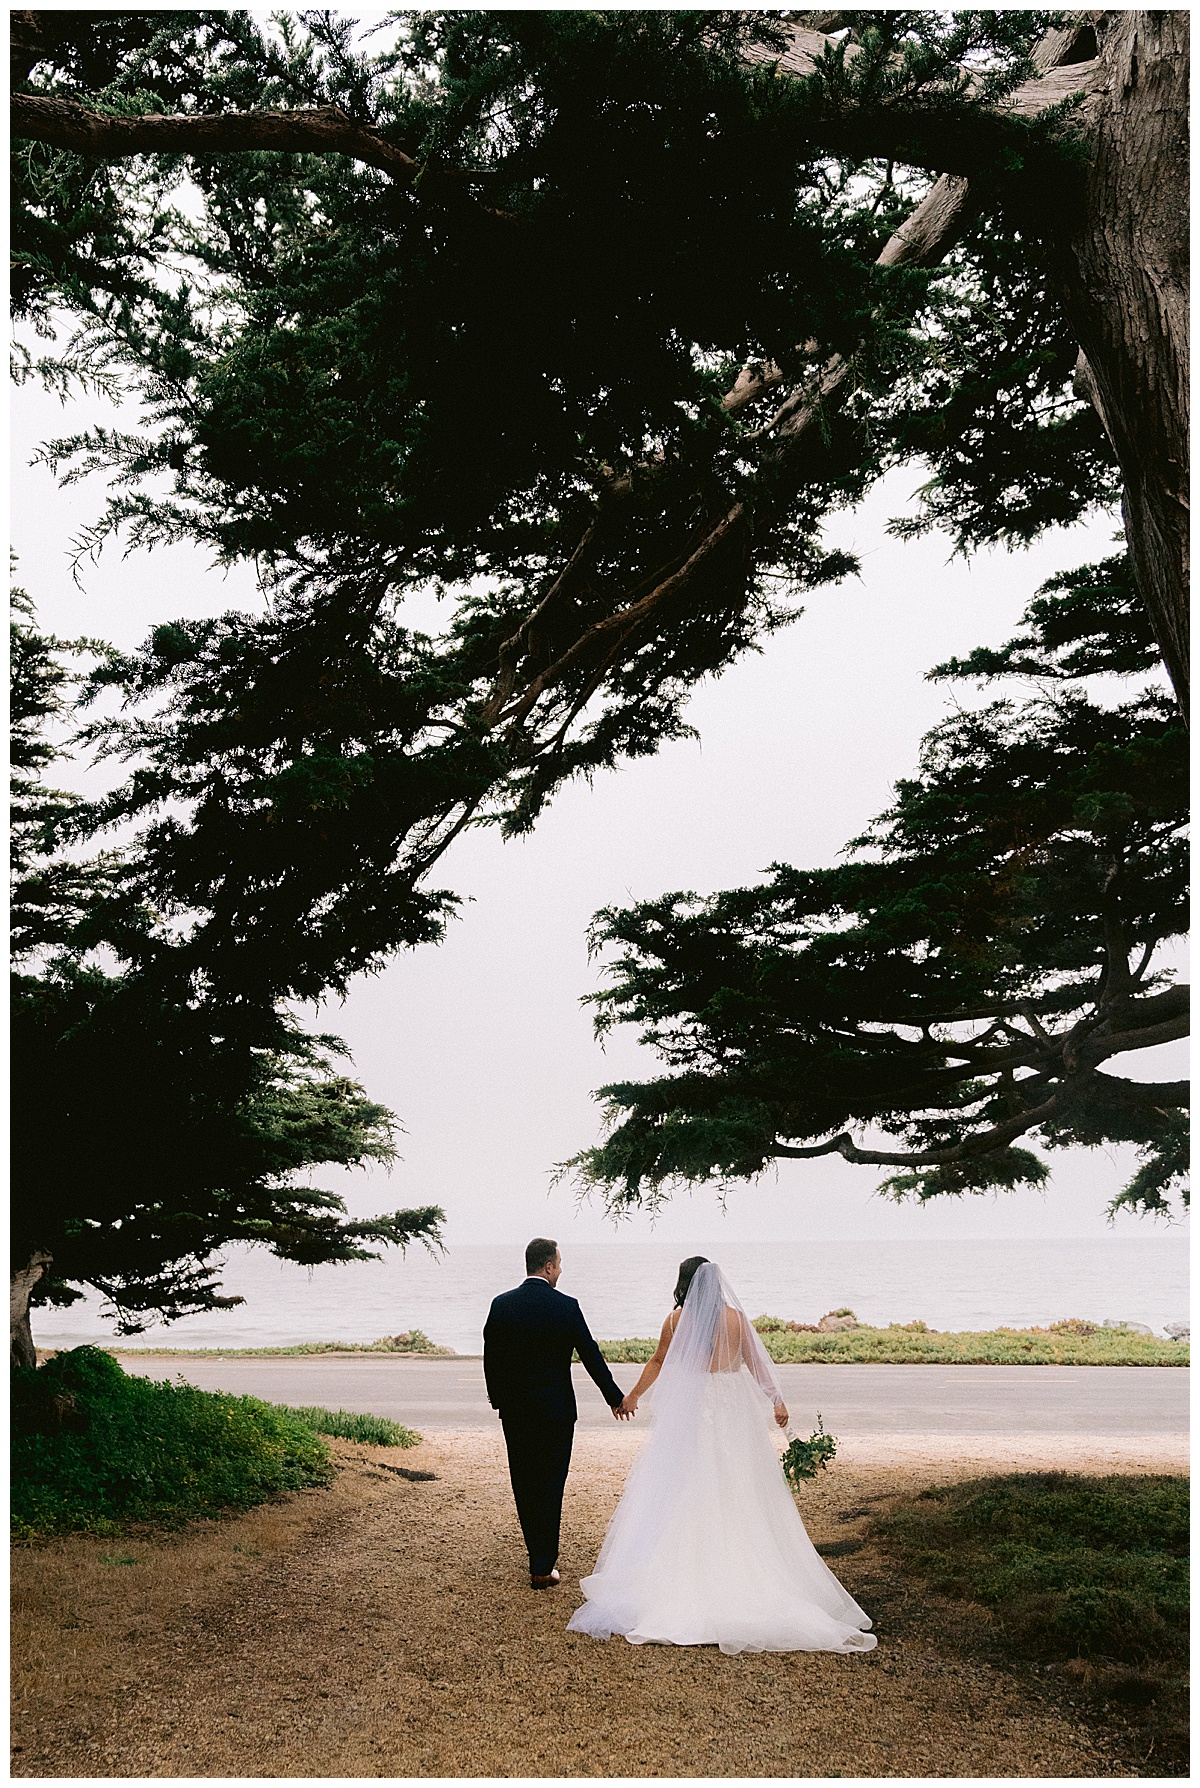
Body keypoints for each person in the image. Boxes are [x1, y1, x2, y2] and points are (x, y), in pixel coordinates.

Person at [567, 1257, 878, 1655]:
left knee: (688, 1479)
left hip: (696, 1406)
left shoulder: (677, 1321)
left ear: (685, 1283)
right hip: (733, 1405)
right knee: (739, 1479)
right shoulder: (736, 1319)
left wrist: (633, 1395)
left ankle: (686, 1571)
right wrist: (777, 1400)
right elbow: (755, 1362)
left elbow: (659, 1361)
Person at [483, 1238, 630, 1590]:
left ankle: (537, 1555)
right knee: (551, 1483)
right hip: (556, 1411)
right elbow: (591, 1355)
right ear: (547, 1267)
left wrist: (498, 1399)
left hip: (516, 1412)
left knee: (524, 1481)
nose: (561, 1270)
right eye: (559, 1264)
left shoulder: (501, 1305)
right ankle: (542, 1564)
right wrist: (615, 1397)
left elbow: (492, 1358)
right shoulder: (566, 1306)